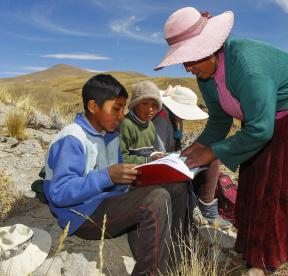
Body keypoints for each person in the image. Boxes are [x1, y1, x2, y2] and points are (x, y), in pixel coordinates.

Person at [154, 7, 288, 276]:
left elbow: (261, 131)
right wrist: (199, 146)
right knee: (253, 183)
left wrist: (212, 153)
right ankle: (250, 250)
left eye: (191, 58)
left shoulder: (248, 68)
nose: (187, 67)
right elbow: (219, 120)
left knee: (277, 185)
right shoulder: (205, 75)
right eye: (184, 61)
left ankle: (266, 261)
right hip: (263, 121)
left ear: (211, 48)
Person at [43, 74, 188, 276]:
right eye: (116, 108)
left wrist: (148, 173)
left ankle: (174, 256)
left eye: (123, 108)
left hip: (108, 203)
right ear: (93, 106)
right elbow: (59, 193)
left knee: (177, 187)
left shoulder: (111, 135)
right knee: (156, 199)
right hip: (82, 216)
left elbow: (118, 181)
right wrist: (108, 176)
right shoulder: (72, 138)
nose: (122, 115)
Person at [153, 84, 232, 229]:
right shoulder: (161, 121)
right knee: (211, 158)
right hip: (164, 166)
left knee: (211, 155)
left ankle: (207, 207)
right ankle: (208, 210)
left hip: (173, 161)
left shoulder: (175, 120)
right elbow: (158, 155)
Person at [119, 80, 166, 164]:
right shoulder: (126, 124)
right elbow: (120, 157)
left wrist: (157, 155)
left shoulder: (150, 125)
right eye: (144, 103)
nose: (150, 109)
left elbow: (146, 151)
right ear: (135, 104)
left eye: (155, 105)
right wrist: (148, 160)